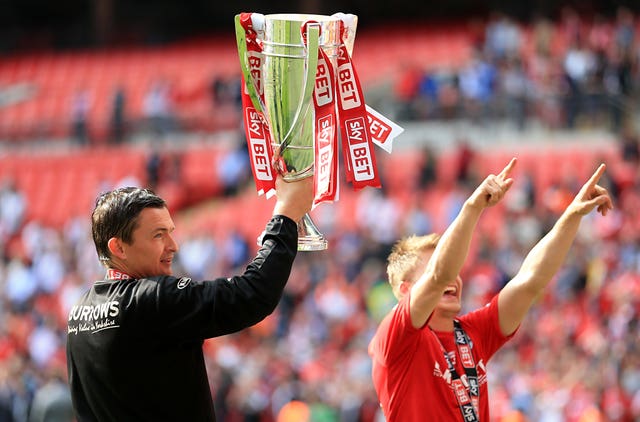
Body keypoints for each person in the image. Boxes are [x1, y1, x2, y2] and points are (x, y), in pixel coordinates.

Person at [368, 158, 613, 421]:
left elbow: (530, 280)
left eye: (457, 271)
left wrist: (572, 216)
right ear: (406, 291)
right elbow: (440, 275)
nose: (455, 278)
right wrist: (473, 208)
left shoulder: (472, 333)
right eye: (432, 272)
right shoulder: (395, 338)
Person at [66, 175, 314, 421]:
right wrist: (286, 215)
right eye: (158, 235)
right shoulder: (154, 298)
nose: (173, 245)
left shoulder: (79, 312)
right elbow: (252, 294)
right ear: (118, 247)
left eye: (170, 232)